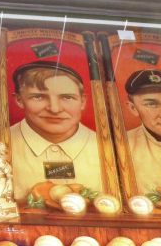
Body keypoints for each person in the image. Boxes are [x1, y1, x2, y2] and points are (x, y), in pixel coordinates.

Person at [9, 61, 102, 201]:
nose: (54, 109)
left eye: (67, 97)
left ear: (82, 101)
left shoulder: (108, 149)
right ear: (19, 100)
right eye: (38, 97)